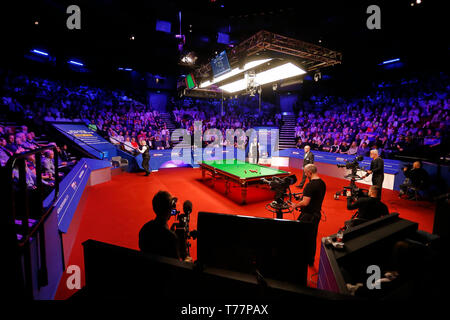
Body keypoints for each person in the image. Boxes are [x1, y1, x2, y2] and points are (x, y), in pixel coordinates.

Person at [293, 164, 326, 266]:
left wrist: (296, 205)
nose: (305, 174)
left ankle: (300, 258)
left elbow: (305, 202)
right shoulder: (322, 183)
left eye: (305, 173)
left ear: (310, 173)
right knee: (312, 238)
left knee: (300, 237)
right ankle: (310, 260)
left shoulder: (310, 185)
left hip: (308, 215)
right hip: (316, 214)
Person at [138, 191, 180, 259]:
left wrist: (170, 232)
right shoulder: (171, 238)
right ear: (168, 210)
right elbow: (176, 263)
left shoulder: (144, 229)